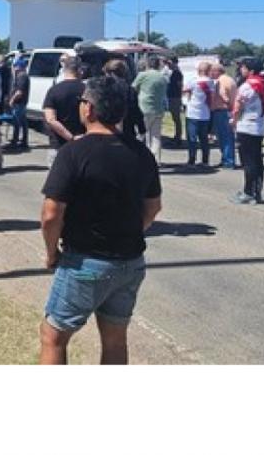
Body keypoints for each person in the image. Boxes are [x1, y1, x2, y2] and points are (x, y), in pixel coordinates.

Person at [39, 75, 163, 365]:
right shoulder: (141, 153)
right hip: (130, 260)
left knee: (53, 335)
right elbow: (154, 207)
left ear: (90, 108)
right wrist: (129, 231)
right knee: (115, 338)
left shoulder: (74, 152)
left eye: (82, 101)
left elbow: (51, 213)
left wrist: (50, 252)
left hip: (85, 261)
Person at [231, 57, 264, 204]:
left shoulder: (247, 86)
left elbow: (237, 107)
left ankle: (249, 192)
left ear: (251, 70)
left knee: (248, 161)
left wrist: (234, 121)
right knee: (257, 160)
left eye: (243, 68)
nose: (241, 70)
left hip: (246, 126)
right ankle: (257, 190)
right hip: (259, 125)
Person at [44, 56, 85, 152]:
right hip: (83, 143)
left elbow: (50, 119)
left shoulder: (54, 90)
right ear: (80, 70)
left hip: (59, 145)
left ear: (64, 70)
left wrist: (71, 137)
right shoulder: (87, 90)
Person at [132, 56, 168, 162]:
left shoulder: (143, 75)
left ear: (148, 64)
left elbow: (133, 88)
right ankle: (156, 159)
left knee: (141, 134)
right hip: (159, 108)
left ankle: (137, 157)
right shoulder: (162, 77)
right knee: (156, 136)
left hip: (145, 108)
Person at [183, 62, 215, 167]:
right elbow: (212, 97)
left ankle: (191, 160)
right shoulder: (211, 82)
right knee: (204, 139)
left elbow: (184, 90)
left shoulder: (194, 81)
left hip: (192, 113)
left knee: (192, 138)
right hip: (205, 114)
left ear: (199, 71)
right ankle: (205, 160)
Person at [104, 59, 145, 141]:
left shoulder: (105, 88)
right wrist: (141, 128)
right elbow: (135, 110)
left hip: (108, 130)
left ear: (111, 73)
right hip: (128, 130)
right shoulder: (130, 89)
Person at [209, 62, 237, 169]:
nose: (210, 73)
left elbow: (223, 95)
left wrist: (227, 104)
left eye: (212, 71)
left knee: (224, 137)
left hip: (222, 111)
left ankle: (228, 161)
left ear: (217, 71)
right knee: (229, 136)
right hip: (228, 111)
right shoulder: (231, 80)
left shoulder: (220, 82)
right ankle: (228, 159)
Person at [7, 56, 31, 150]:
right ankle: (23, 141)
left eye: (15, 66)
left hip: (19, 103)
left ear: (19, 66)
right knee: (23, 123)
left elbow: (19, 92)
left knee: (17, 123)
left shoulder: (22, 76)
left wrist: (12, 100)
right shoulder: (23, 76)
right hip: (21, 103)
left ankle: (15, 141)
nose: (13, 68)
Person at [166, 58, 184, 144]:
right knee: (174, 118)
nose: (168, 65)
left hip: (175, 98)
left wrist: (180, 98)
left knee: (176, 118)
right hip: (172, 97)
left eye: (169, 63)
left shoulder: (177, 73)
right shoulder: (173, 73)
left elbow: (180, 85)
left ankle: (178, 136)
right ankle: (177, 135)